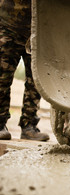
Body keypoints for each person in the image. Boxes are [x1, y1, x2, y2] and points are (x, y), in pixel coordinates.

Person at [0, 0, 49, 141]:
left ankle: (29, 127)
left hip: (37, 29)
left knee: (36, 82)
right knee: (2, 78)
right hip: (8, 24)